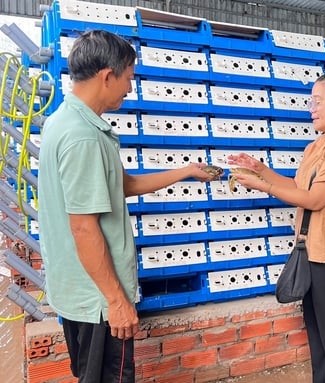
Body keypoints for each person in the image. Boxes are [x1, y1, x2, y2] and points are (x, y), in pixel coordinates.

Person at [37, 30, 217, 383]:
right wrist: (117, 302)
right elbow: (84, 227)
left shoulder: (67, 122)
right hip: (99, 302)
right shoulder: (83, 137)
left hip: (79, 291)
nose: (129, 88)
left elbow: (124, 186)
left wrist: (186, 171)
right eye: (128, 78)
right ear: (107, 76)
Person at [229, 72, 325, 383]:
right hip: (313, 253)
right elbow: (297, 185)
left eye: (318, 102)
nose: (311, 108)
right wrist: (260, 170)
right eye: (311, 102)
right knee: (319, 337)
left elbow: (315, 199)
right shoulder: (318, 146)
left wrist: (262, 186)